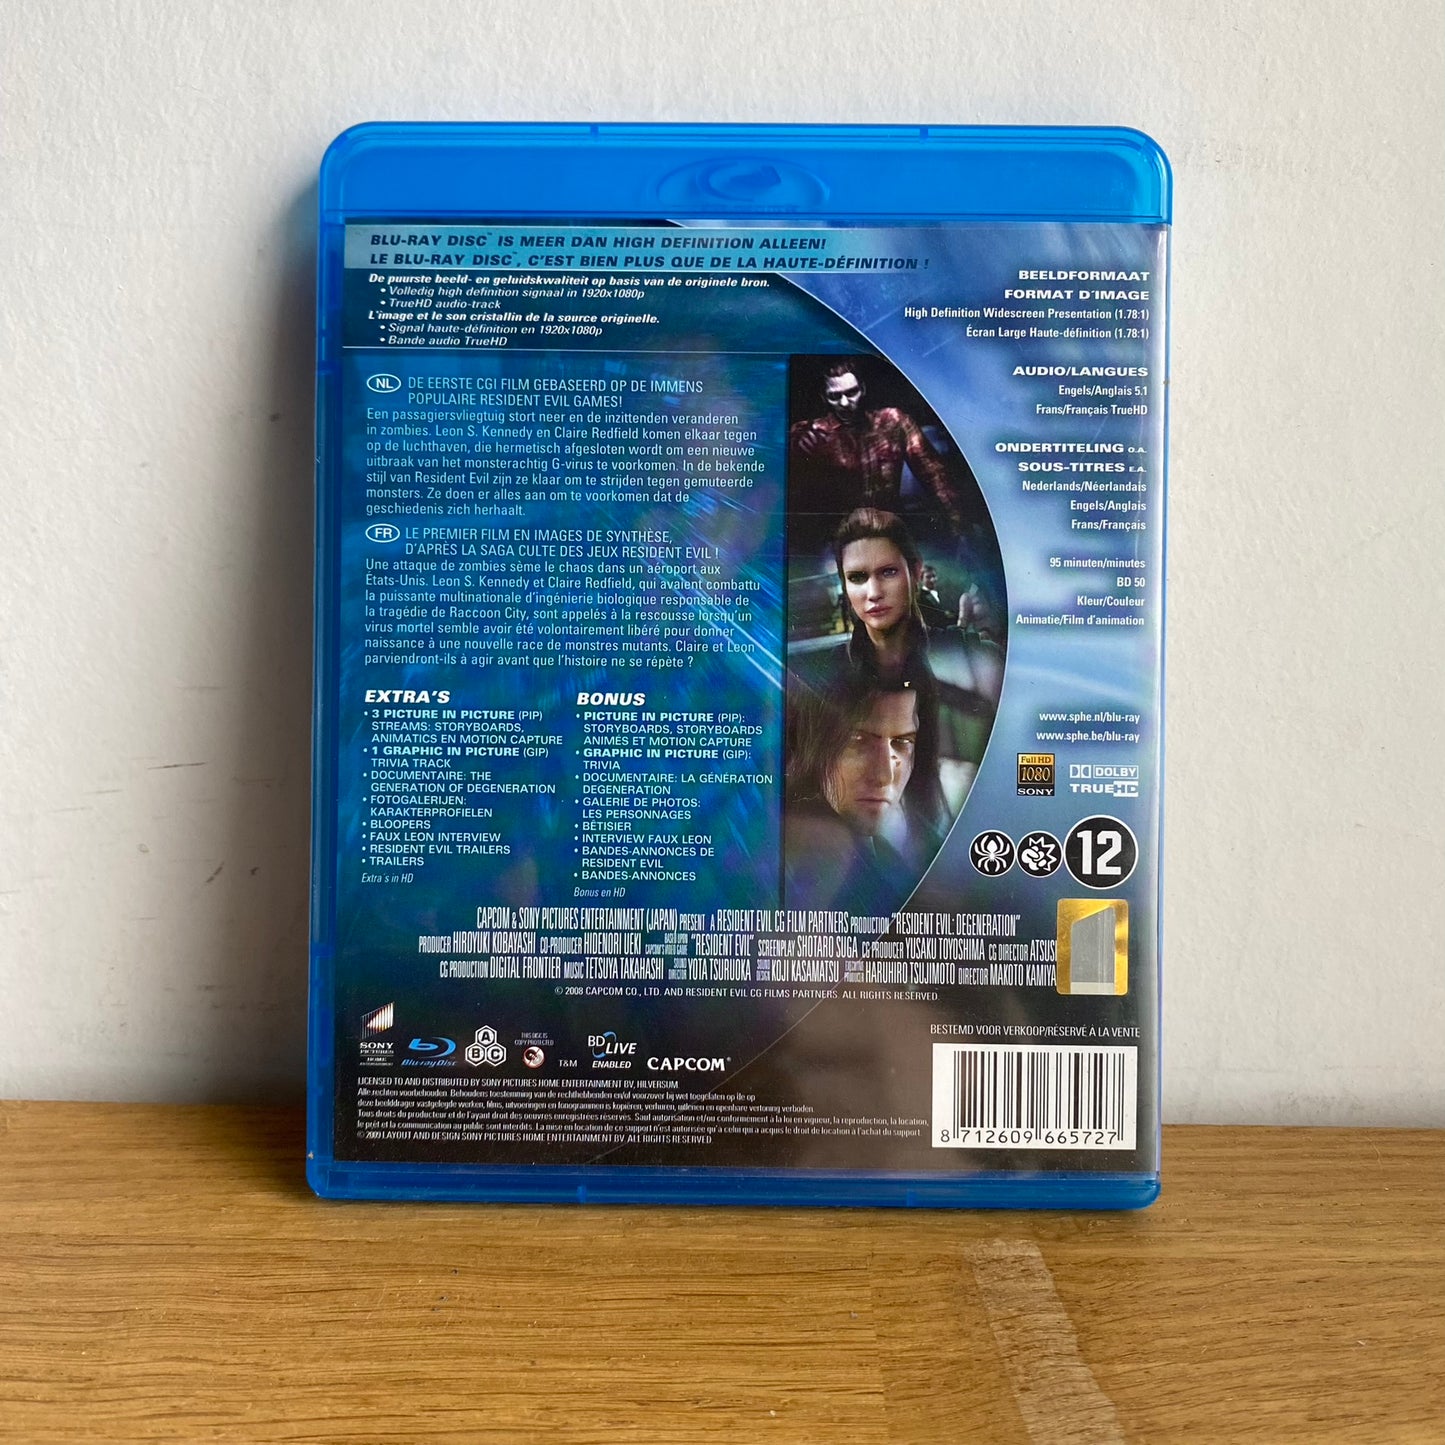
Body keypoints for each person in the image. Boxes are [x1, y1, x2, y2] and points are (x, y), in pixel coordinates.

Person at [793, 508, 1003, 819]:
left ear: (915, 573)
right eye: (857, 578)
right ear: (845, 586)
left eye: (888, 572)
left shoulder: (970, 655)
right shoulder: (827, 681)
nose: (873, 593)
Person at [784, 678, 941, 915]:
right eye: (857, 740)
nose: (884, 775)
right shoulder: (779, 850)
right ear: (810, 743)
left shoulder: (896, 865)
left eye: (902, 742)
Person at [789, 361, 971, 535]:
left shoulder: (893, 423)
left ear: (863, 389)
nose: (844, 403)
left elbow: (935, 475)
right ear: (824, 397)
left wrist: (960, 527)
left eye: (851, 393)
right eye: (835, 396)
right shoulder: (811, 435)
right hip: (839, 537)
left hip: (891, 531)